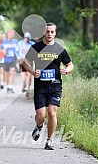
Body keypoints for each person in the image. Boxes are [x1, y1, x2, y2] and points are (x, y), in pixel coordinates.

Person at [23, 22, 74, 150]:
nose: (49, 34)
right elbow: (25, 63)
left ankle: (49, 141)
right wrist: (33, 72)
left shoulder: (60, 49)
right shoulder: (36, 47)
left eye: (52, 31)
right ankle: (39, 126)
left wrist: (66, 70)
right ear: (43, 33)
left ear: (55, 33)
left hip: (55, 86)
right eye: (47, 31)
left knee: (52, 112)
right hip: (40, 87)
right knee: (40, 115)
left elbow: (70, 64)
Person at [18, 32, 35, 99]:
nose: (26, 39)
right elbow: (17, 51)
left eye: (28, 38)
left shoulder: (32, 44)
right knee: (23, 73)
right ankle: (24, 84)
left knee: (29, 76)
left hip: (30, 61)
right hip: (22, 60)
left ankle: (28, 90)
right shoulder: (20, 43)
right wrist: (18, 58)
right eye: (25, 38)